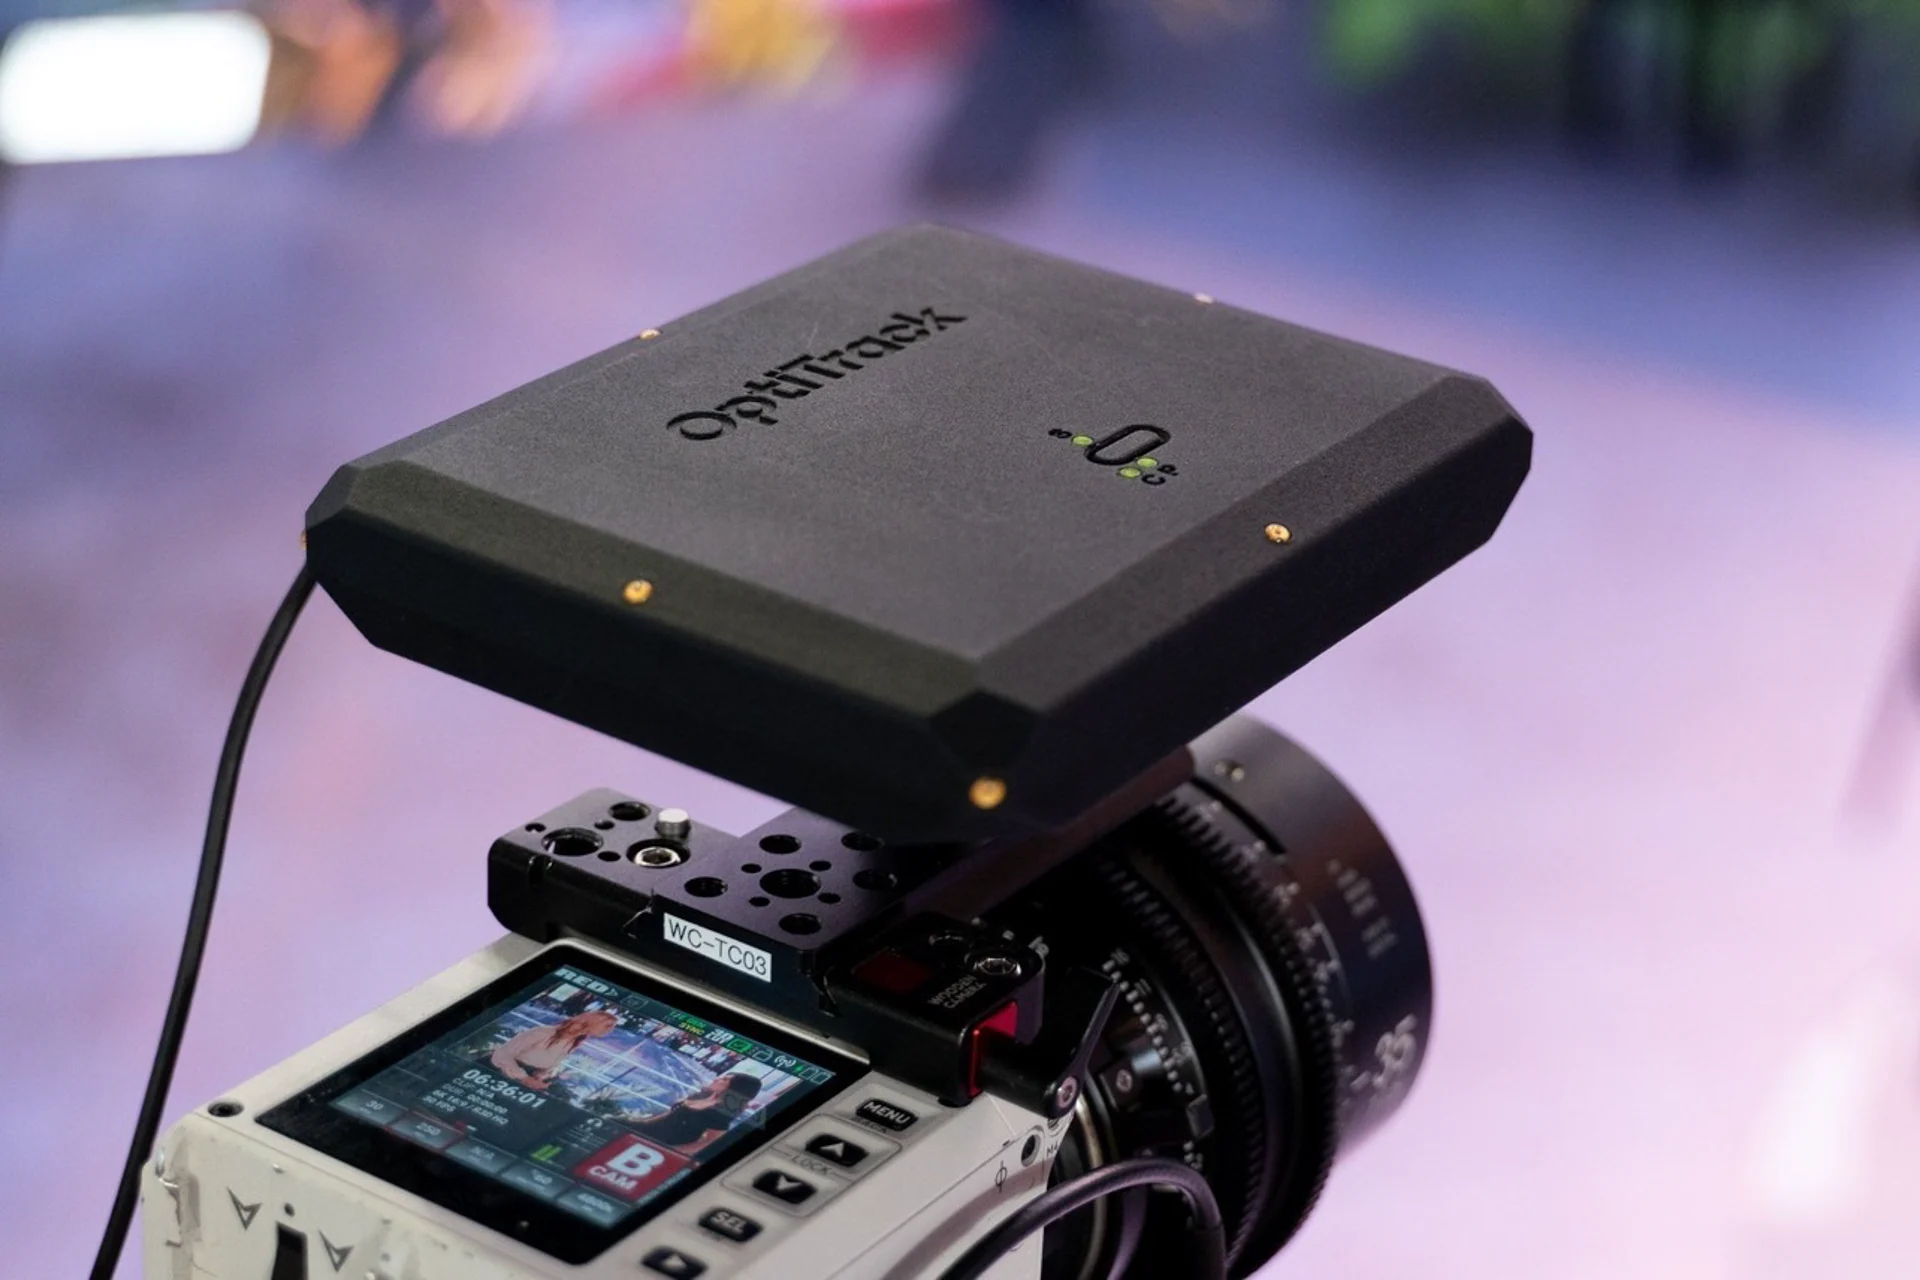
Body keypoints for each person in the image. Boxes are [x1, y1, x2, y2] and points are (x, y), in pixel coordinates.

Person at [629, 1073, 762, 1153]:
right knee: (618, 1122)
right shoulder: (703, 1096)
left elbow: (710, 1142)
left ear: (734, 1088)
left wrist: (672, 1151)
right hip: (648, 1131)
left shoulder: (720, 1114)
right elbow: (669, 1114)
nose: (717, 1078)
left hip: (664, 1142)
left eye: (725, 1080)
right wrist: (640, 1123)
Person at [488, 1009, 619, 1090]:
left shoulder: (572, 1043)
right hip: (496, 1072)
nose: (610, 1030)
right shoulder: (543, 1032)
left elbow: (547, 1064)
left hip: (522, 1078)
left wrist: (538, 1078)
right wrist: (525, 1078)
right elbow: (503, 1054)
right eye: (607, 1025)